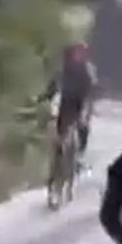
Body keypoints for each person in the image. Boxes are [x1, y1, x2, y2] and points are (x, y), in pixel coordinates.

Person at [39, 41, 98, 174]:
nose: (78, 55)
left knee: (83, 126)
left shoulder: (88, 70)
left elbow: (91, 90)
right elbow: (54, 85)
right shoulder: (63, 69)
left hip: (80, 101)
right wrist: (46, 97)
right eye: (76, 52)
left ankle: (79, 156)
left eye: (81, 53)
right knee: (57, 128)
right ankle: (56, 159)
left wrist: (87, 108)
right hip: (65, 101)